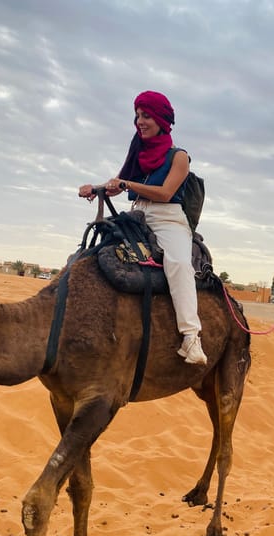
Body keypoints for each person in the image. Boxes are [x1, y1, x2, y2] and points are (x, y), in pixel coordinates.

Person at [78, 90, 207, 365]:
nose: (140, 122)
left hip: (168, 219)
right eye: (137, 116)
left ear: (161, 119)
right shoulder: (139, 153)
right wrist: (95, 188)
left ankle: (191, 336)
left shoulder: (179, 157)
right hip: (138, 214)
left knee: (178, 263)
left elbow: (164, 192)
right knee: (97, 246)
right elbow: (117, 185)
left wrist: (127, 184)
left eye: (146, 116)